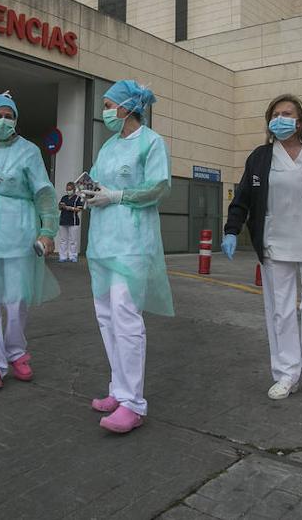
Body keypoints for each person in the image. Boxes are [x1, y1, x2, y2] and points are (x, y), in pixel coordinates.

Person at [221, 93, 302, 402]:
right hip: (275, 245)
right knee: (280, 313)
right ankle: (286, 374)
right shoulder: (260, 157)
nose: (280, 118)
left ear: (300, 120)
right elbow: (242, 199)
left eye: (287, 113)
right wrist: (231, 230)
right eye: (275, 114)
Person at [82, 80, 173, 434]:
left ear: (127, 107)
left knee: (125, 313)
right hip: (102, 240)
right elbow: (99, 182)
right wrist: (89, 193)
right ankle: (118, 390)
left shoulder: (151, 142)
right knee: (106, 315)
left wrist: (116, 196)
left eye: (108, 104)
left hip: (133, 241)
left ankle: (134, 403)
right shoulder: (108, 146)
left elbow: (158, 187)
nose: (104, 111)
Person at [0, 92, 60, 391]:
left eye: (9, 116)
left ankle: (16, 352)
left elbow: (43, 191)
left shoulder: (29, 151)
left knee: (16, 298)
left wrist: (48, 230)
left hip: (19, 227)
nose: (3, 121)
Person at [56, 182, 85, 263]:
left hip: (73, 221)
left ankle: (73, 256)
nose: (68, 191)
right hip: (63, 220)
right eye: (67, 189)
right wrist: (61, 206)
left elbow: (79, 209)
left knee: (73, 240)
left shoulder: (77, 198)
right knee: (63, 240)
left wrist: (69, 208)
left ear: (74, 189)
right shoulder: (64, 197)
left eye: (70, 189)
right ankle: (63, 256)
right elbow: (59, 207)